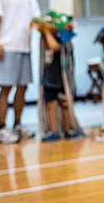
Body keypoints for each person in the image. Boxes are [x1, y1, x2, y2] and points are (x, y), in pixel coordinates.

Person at [0, 0, 40, 143]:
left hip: (25, 48)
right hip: (7, 47)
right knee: (6, 88)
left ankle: (17, 125)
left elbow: (36, 20)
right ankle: (2, 129)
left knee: (22, 88)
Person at [32, 11, 83, 141]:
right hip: (48, 76)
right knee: (51, 105)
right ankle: (53, 131)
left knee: (65, 104)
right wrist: (43, 29)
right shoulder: (44, 37)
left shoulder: (62, 38)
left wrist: (46, 30)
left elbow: (54, 46)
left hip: (62, 78)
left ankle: (68, 129)